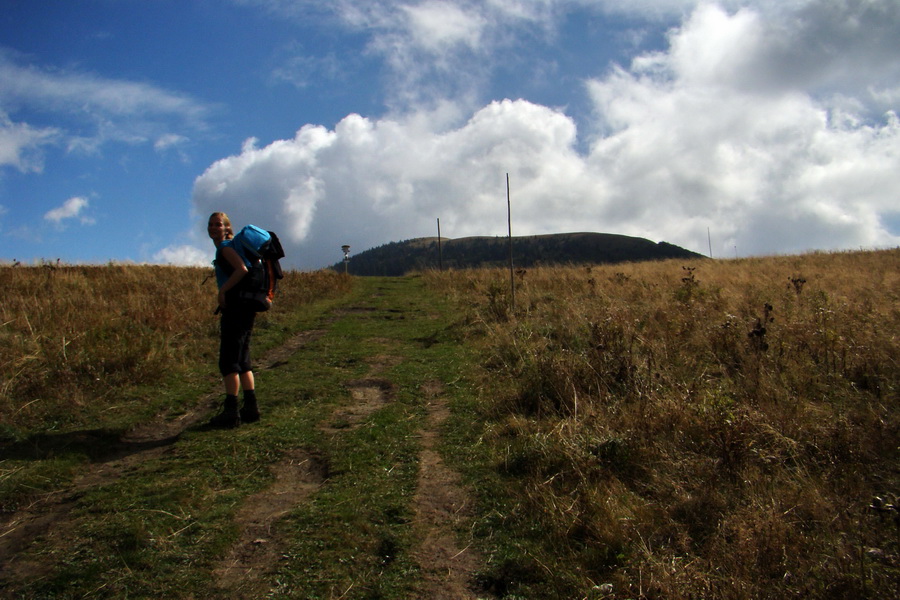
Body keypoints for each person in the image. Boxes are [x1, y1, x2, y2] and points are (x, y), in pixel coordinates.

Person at [207, 212, 260, 428]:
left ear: (227, 228)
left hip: (236, 308)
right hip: (246, 307)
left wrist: (223, 292)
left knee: (229, 361)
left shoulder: (225, 248)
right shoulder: (231, 247)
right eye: (210, 224)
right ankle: (250, 407)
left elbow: (241, 269)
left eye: (218, 224)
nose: (213, 228)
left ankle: (231, 413)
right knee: (243, 359)